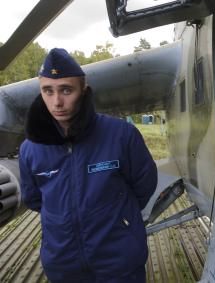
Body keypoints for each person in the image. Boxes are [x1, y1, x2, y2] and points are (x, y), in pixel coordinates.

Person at [19, 48, 157, 283]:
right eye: (48, 91)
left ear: (83, 91)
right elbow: (34, 199)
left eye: (66, 90)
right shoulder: (30, 149)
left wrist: (119, 220)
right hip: (63, 267)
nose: (57, 102)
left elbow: (144, 185)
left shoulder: (121, 135)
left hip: (119, 264)